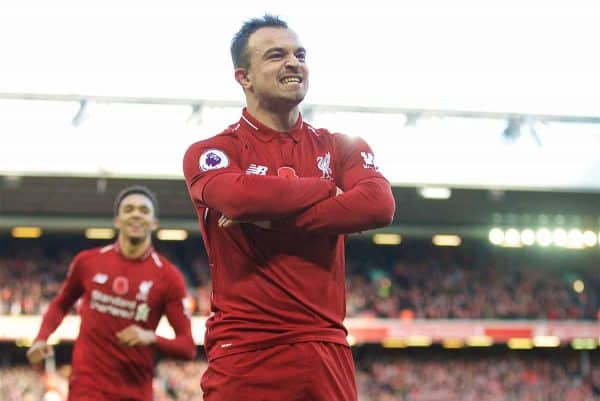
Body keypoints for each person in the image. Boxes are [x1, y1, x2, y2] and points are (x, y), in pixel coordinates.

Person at [183, 14, 395, 401]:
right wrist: (326, 189)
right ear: (243, 77)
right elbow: (238, 199)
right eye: (276, 55)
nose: (293, 62)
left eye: (299, 54)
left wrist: (274, 219)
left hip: (325, 345)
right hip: (246, 349)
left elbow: (379, 205)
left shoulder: (341, 145)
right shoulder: (213, 152)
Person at [27, 185, 197, 401]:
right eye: (129, 209)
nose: (136, 214)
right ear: (117, 220)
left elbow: (187, 347)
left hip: (134, 392)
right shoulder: (88, 262)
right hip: (87, 388)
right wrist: (41, 338)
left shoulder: (168, 277)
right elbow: (61, 304)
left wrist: (151, 337)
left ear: (154, 223)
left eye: (144, 211)